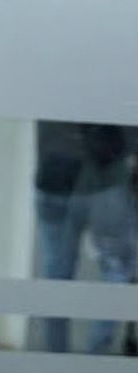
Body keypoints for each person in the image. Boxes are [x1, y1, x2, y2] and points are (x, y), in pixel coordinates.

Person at [35, 121, 138, 360]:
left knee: (56, 275)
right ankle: (96, 358)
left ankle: (56, 363)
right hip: (105, 174)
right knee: (116, 269)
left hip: (55, 172)